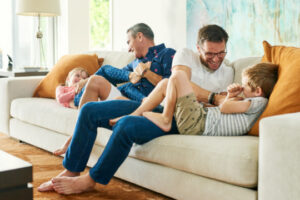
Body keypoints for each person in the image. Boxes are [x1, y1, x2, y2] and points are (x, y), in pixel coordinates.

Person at [37, 24, 233, 195]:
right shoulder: (185, 55)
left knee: (126, 124)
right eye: (210, 53)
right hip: (157, 105)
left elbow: (222, 103)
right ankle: (71, 170)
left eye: (221, 53)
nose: (216, 59)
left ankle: (90, 181)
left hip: (180, 118)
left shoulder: (228, 72)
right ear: (198, 48)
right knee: (90, 110)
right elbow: (181, 81)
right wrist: (214, 97)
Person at [53, 23, 176, 156]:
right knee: (96, 80)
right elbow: (113, 74)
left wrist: (146, 73)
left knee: (122, 85)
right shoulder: (134, 62)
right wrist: (86, 80)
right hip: (125, 97)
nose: (128, 49)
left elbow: (171, 87)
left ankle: (73, 140)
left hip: (145, 104)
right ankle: (75, 138)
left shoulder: (167, 54)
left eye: (129, 42)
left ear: (140, 36)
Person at [122, 62, 278, 136]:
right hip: (200, 118)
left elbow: (224, 108)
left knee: (178, 75)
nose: (242, 89)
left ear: (258, 91)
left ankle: (165, 118)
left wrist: (231, 97)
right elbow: (228, 107)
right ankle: (135, 114)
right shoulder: (252, 103)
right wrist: (231, 96)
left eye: (245, 86)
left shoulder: (257, 102)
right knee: (165, 83)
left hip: (199, 123)